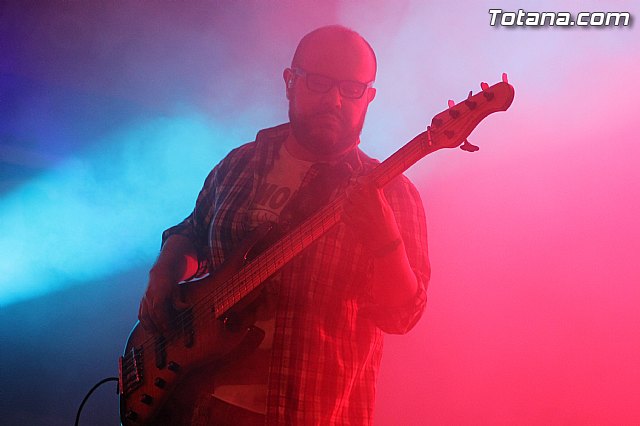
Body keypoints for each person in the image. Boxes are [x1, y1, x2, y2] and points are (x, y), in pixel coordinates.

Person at [138, 25, 430, 425]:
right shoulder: (240, 164)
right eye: (320, 82)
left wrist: (386, 241)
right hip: (194, 403)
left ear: (369, 97)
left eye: (351, 89)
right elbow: (193, 232)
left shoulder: (392, 192)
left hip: (306, 413)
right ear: (290, 82)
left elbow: (402, 316)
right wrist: (164, 271)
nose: (334, 100)